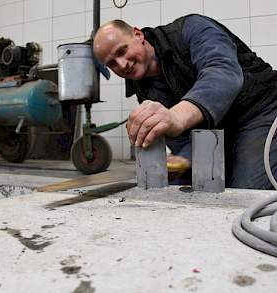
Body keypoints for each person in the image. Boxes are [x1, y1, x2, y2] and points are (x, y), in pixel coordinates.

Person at [93, 13, 277, 189]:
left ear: (138, 35)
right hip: (219, 132)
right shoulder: (143, 87)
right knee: (181, 189)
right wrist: (185, 157)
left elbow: (223, 72)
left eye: (122, 51)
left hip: (262, 113)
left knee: (244, 194)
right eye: (112, 63)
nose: (122, 64)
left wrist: (176, 116)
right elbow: (180, 136)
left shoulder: (192, 29)